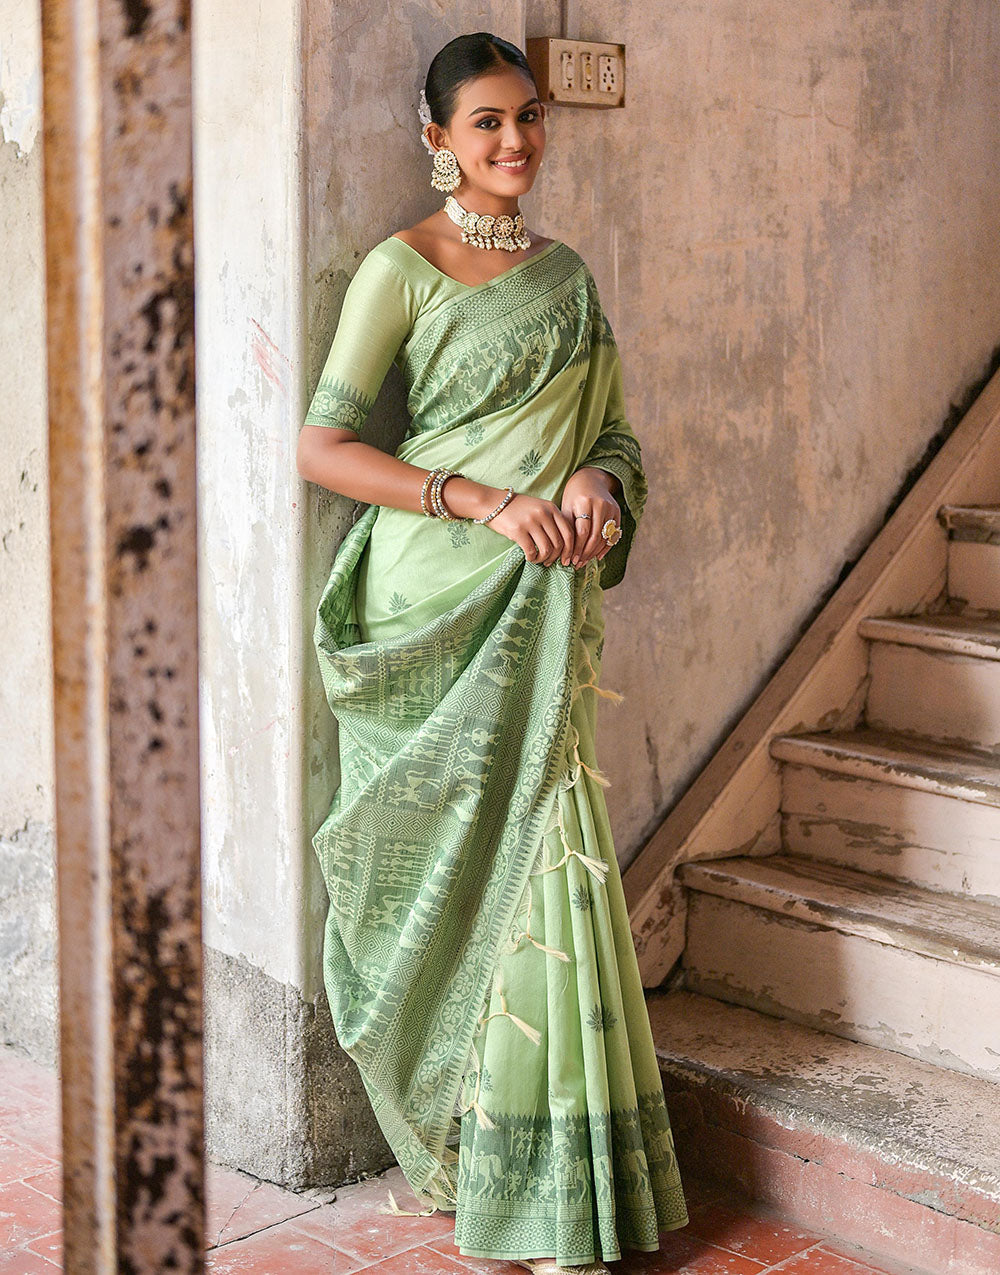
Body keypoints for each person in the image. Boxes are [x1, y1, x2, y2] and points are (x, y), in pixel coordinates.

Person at [296, 31, 689, 1274]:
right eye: (485, 124)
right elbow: (324, 447)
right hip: (436, 610)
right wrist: (476, 498)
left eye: (527, 118)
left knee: (549, 865)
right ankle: (469, 1147)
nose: (515, 141)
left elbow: (617, 433)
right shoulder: (398, 271)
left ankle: (558, 1176)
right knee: (442, 879)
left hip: (542, 609)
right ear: (437, 138)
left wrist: (593, 479)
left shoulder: (567, 278)